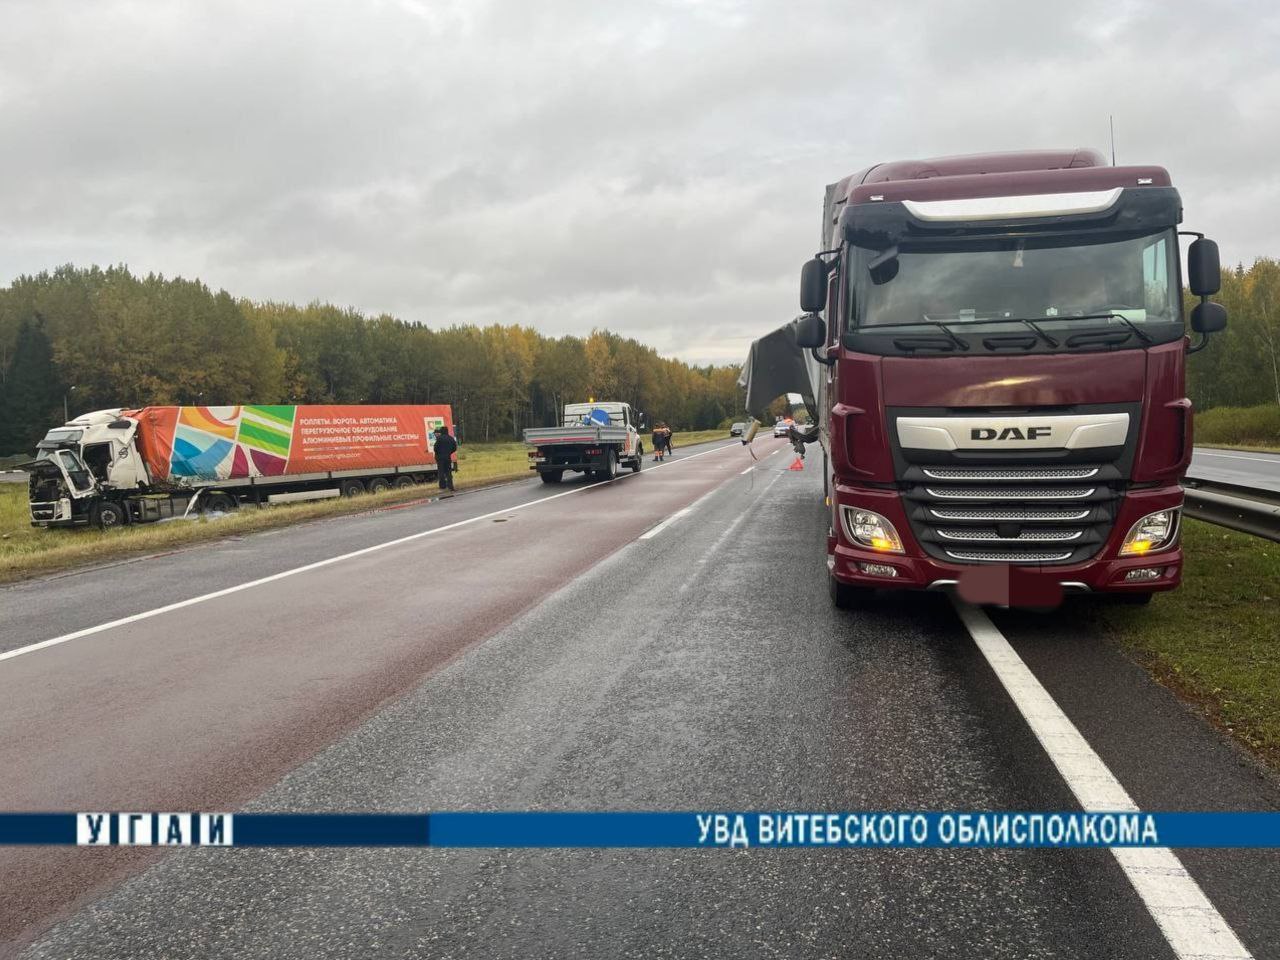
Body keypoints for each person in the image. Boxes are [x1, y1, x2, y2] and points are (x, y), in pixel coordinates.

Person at [433, 425, 457, 493]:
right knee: (448, 472)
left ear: (441, 431)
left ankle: (443, 486)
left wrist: (438, 453)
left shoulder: (439, 438)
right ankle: (451, 486)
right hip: (447, 457)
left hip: (440, 458)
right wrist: (449, 452)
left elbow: (435, 448)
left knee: (441, 472)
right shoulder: (451, 438)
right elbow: (454, 448)